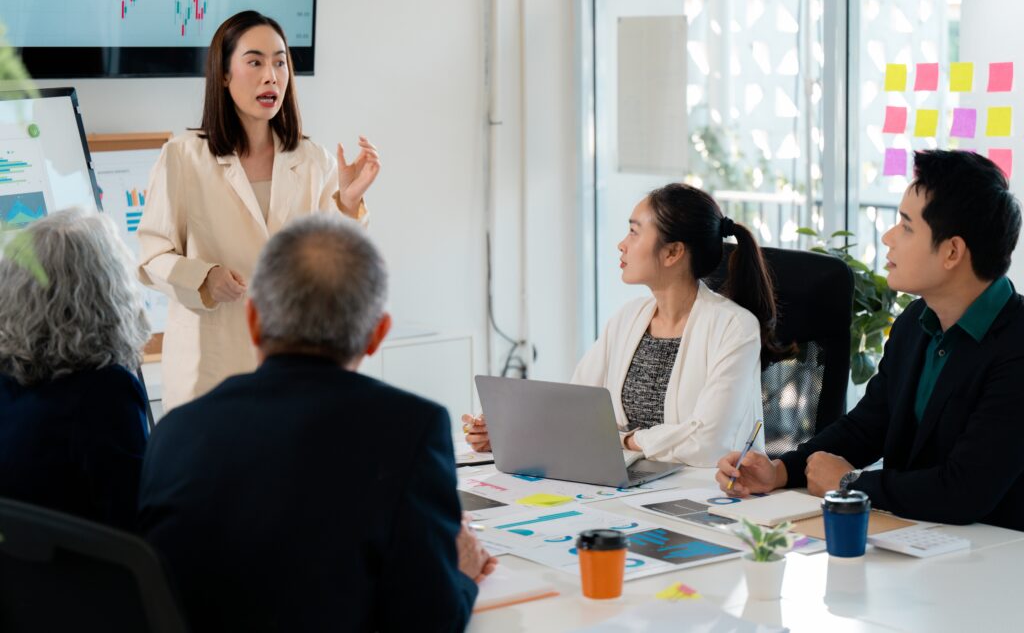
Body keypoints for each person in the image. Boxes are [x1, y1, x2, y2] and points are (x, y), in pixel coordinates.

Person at [138, 214, 495, 632]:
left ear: (253, 320)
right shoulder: (410, 429)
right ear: (377, 334)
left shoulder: (174, 430)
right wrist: (462, 571)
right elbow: (429, 619)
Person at [716, 150, 1024, 531]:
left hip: (995, 560)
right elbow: (867, 427)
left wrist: (851, 485)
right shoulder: (916, 321)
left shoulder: (1015, 344)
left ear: (952, 252)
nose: (888, 237)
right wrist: (779, 471)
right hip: (917, 545)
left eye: (907, 227)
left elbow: (965, 491)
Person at [138, 10, 381, 409]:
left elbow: (331, 267)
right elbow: (151, 258)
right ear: (223, 74)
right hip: (210, 373)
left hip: (296, 371)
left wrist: (349, 203)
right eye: (255, 62)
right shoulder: (183, 157)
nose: (271, 76)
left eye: (280, 62)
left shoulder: (313, 159)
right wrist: (204, 278)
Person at [465, 183, 791, 465]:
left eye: (634, 232)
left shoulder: (734, 328)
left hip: (703, 499)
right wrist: (509, 433)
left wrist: (623, 441)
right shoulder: (628, 318)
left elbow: (707, 443)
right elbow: (575, 408)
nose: (622, 244)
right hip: (627, 488)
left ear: (673, 252)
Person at [0, 209, 150, 530]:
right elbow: (137, 520)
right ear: (109, 295)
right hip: (88, 576)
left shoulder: (5, 379)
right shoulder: (107, 393)